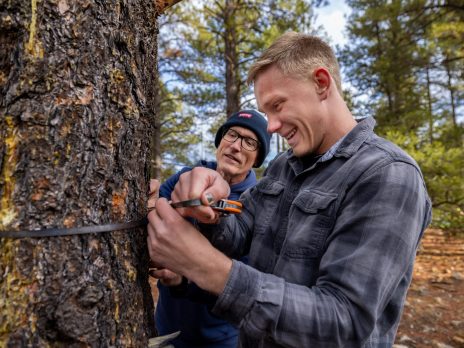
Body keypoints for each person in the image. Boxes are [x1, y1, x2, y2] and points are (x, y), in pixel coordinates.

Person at [147, 32, 432, 347]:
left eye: (277, 105)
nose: (270, 126)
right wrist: (211, 208)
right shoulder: (283, 165)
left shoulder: (387, 174)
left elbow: (345, 322)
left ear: (321, 83)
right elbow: (241, 229)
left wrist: (204, 266)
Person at [151, 109, 271, 348]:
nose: (236, 146)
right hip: (166, 329)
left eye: (249, 142)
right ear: (220, 142)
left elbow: (250, 279)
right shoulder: (183, 179)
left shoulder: (260, 204)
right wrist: (148, 201)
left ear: (257, 158)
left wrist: (183, 278)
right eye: (232, 135)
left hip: (223, 340)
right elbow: (151, 216)